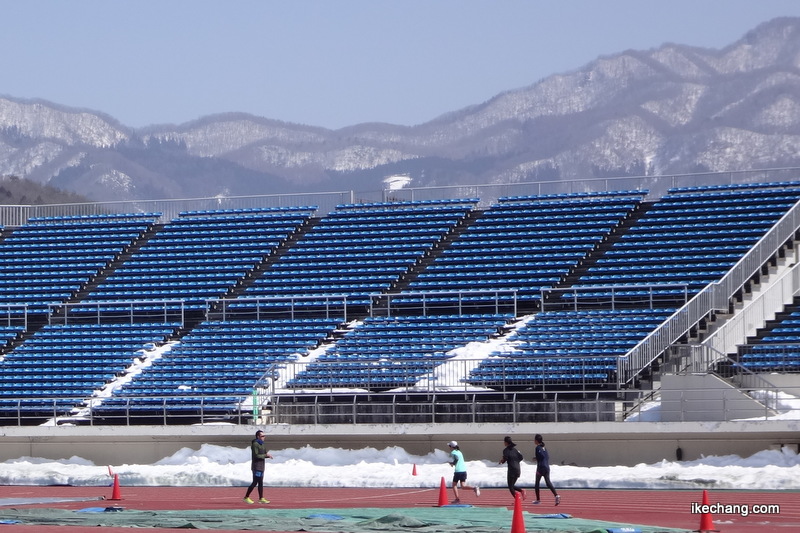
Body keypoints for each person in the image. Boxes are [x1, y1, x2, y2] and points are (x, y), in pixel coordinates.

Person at [243, 430, 273, 504]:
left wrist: (267, 456)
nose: (264, 437)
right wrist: (265, 455)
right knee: (255, 482)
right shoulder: (255, 444)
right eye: (262, 436)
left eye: (264, 436)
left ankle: (261, 498)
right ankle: (246, 497)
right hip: (256, 466)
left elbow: (263, 454)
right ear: (258, 436)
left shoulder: (262, 444)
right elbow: (256, 455)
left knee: (260, 482)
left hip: (261, 466)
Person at [533, 434, 560, 506]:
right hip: (547, 467)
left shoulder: (538, 447)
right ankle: (556, 495)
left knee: (537, 483)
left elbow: (540, 456)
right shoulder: (544, 447)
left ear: (536, 440)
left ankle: (538, 500)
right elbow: (547, 456)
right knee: (548, 482)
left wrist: (536, 458)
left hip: (541, 467)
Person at [499, 435, 526, 500]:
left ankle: (517, 500)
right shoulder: (515, 450)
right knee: (512, 485)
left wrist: (501, 461)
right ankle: (521, 491)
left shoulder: (505, 450)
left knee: (510, 487)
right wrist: (516, 461)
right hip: (518, 469)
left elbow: (505, 458)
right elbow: (521, 457)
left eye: (504, 442)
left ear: (506, 442)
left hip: (511, 469)